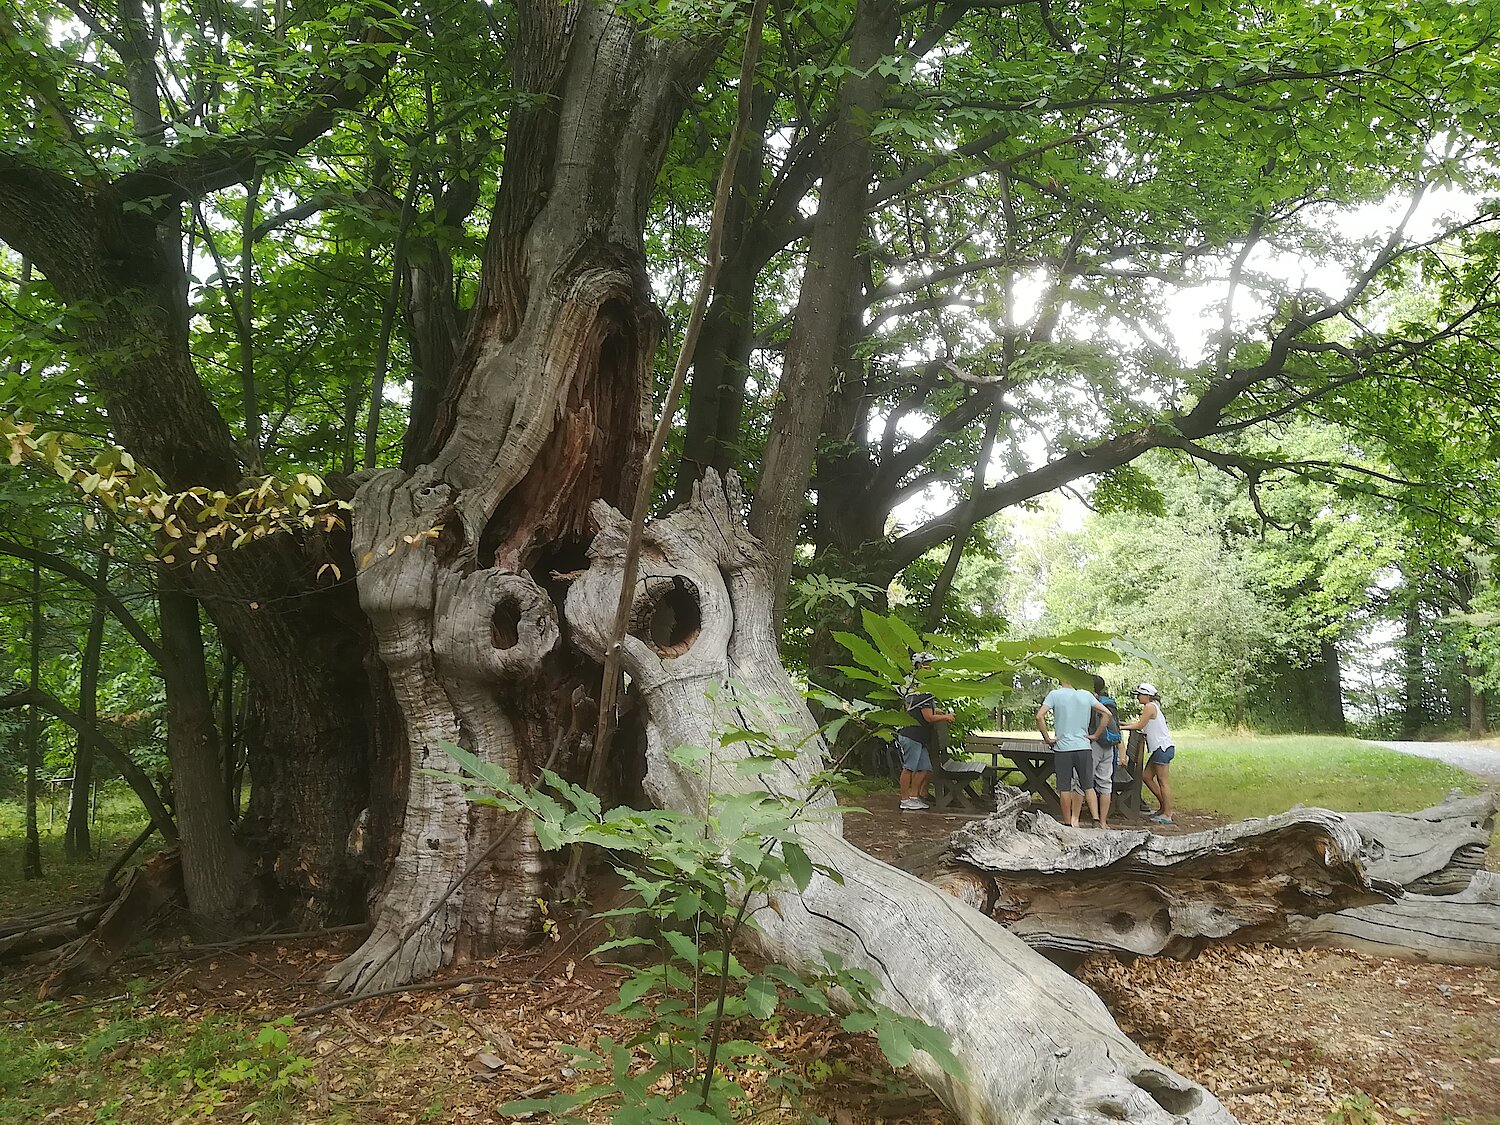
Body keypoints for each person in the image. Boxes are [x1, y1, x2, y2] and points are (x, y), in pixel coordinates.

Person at [1035, 674, 1112, 828]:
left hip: (1063, 748)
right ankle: (1096, 820)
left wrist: (1047, 738)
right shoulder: (1086, 695)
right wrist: (1096, 735)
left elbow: (1039, 717)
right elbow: (1107, 714)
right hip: (1083, 746)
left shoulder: (1054, 695)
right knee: (1088, 785)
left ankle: (1068, 822)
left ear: (1060, 679)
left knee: (1065, 787)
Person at [897, 653, 955, 811]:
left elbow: (927, 709)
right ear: (918, 667)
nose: (929, 667)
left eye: (930, 664)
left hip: (919, 737)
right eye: (926, 664)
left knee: (925, 768)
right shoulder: (921, 692)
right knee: (909, 768)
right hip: (911, 735)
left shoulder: (923, 691)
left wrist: (939, 711)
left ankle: (915, 797)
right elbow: (928, 717)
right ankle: (905, 799)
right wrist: (946, 717)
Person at [1121, 682, 1175, 825]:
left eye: (1140, 695)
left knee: (1163, 782)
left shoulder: (1150, 707)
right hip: (1159, 749)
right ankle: (1164, 806)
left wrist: (1122, 727)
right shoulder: (1151, 707)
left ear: (1147, 695)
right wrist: (1124, 724)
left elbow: (1139, 725)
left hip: (1162, 748)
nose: (1138, 697)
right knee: (1147, 776)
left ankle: (1168, 813)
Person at [1089, 675, 1123, 829]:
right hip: (1109, 746)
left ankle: (1094, 819)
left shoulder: (1090, 701)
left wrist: (1095, 735)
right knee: (1105, 784)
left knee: (1085, 780)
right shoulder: (1109, 702)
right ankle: (1103, 822)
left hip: (1094, 744)